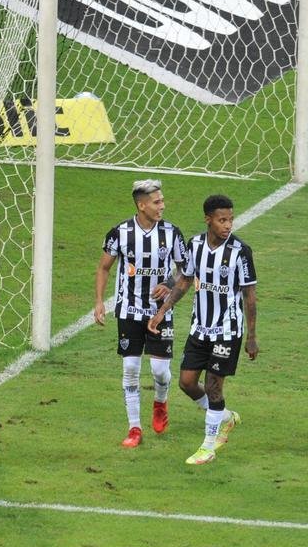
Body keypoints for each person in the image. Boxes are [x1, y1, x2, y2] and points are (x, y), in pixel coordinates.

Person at [149, 194, 257, 465]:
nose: (228, 225)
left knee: (213, 386)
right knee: (186, 382)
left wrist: (252, 337)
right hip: (200, 329)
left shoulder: (240, 251)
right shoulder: (195, 245)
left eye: (230, 219)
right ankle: (225, 417)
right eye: (222, 220)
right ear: (208, 219)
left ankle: (208, 447)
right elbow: (184, 281)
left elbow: (250, 296)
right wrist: (162, 311)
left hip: (227, 331)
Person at [94, 178, 187, 448]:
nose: (162, 206)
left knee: (160, 371)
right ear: (142, 205)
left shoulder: (172, 233)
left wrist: (168, 283)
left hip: (161, 311)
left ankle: (160, 402)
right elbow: (104, 267)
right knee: (131, 368)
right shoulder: (120, 232)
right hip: (129, 310)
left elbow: (185, 269)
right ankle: (134, 428)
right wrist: (99, 302)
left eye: (162, 200)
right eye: (157, 202)